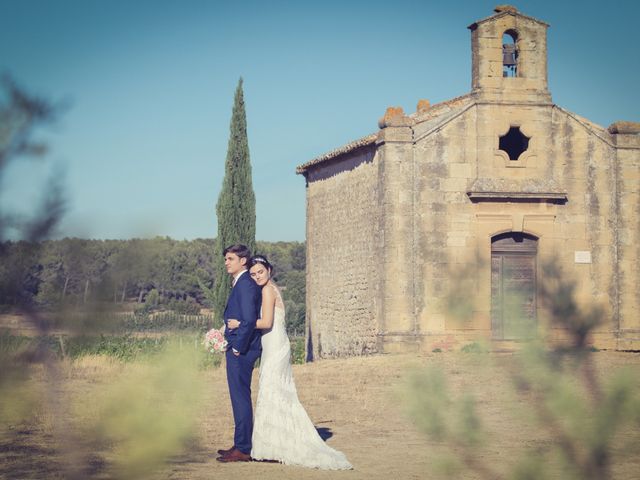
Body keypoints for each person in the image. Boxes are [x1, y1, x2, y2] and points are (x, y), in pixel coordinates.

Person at [227, 255, 352, 470]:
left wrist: (241, 323)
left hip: (274, 346)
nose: (257, 277)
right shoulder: (271, 288)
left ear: (270, 271)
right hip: (276, 344)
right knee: (276, 392)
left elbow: (266, 322)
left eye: (261, 272)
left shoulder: (267, 290)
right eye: (254, 273)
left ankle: (276, 445)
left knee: (272, 390)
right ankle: (273, 444)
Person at [216, 245, 262, 463]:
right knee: (237, 398)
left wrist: (237, 348)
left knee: (240, 398)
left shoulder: (245, 285)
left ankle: (243, 448)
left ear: (243, 261)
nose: (226, 262)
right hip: (236, 347)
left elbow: (250, 319)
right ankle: (240, 442)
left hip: (241, 351)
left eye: (230, 258)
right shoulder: (240, 283)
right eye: (225, 258)